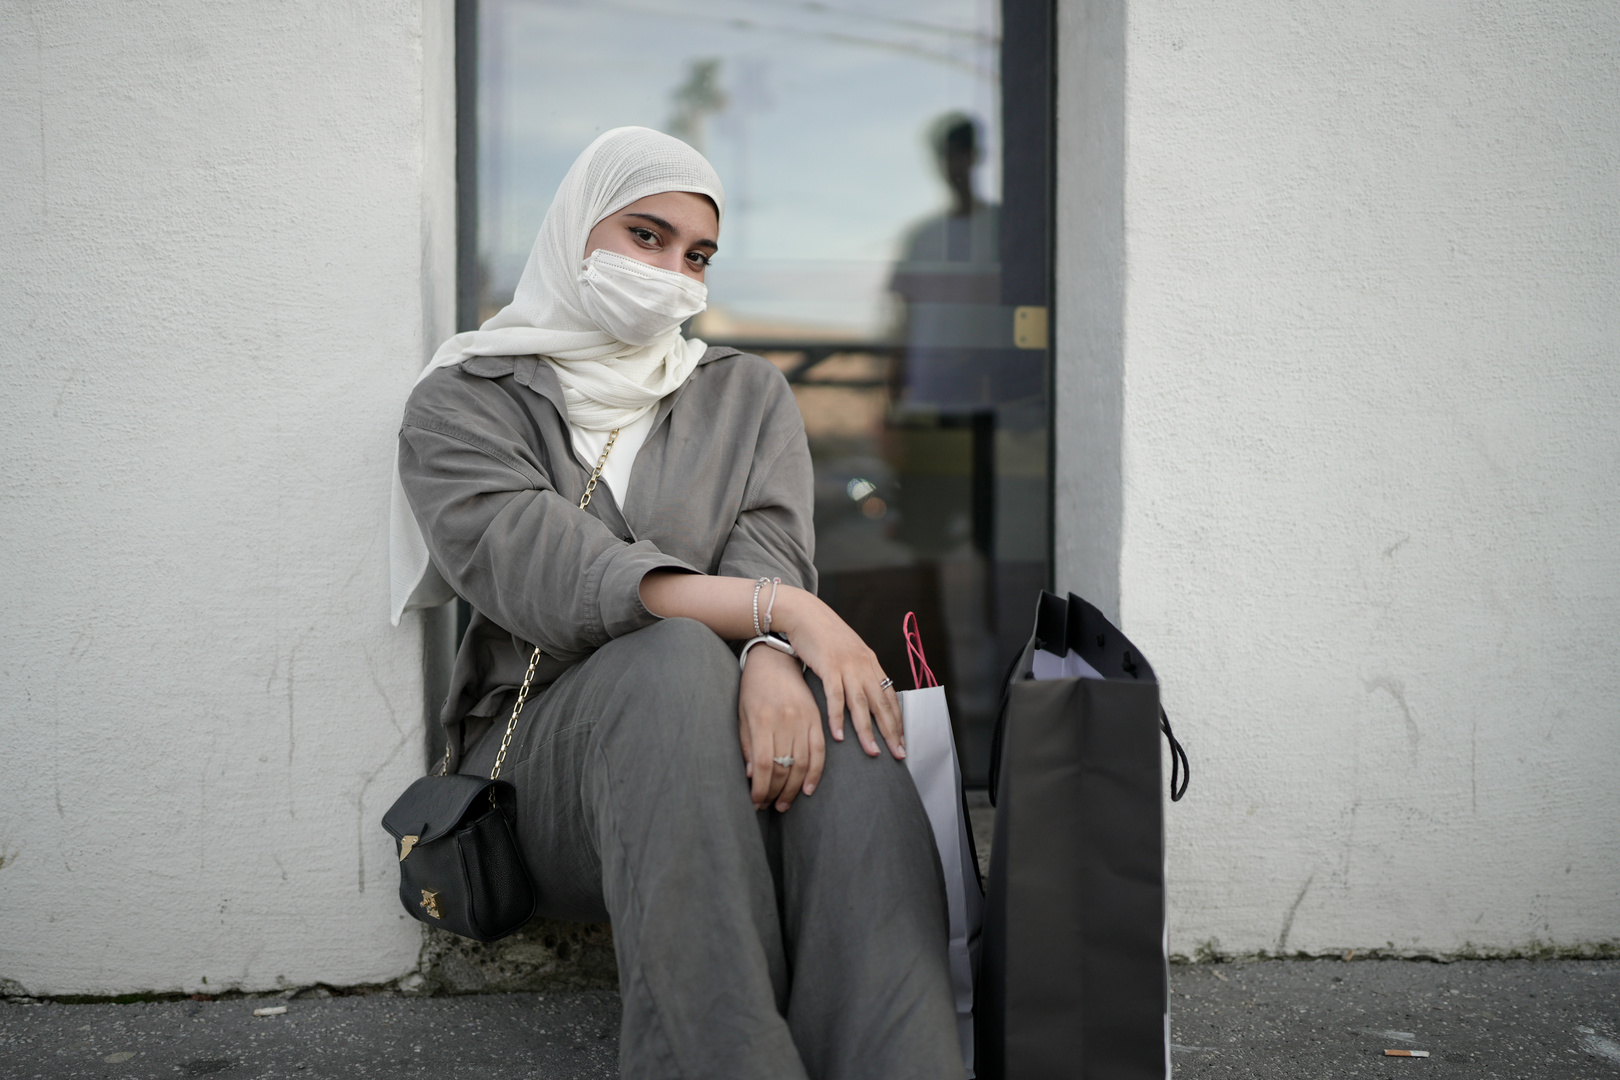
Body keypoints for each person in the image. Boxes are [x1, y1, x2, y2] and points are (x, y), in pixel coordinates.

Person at [389, 127, 964, 1080]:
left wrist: (776, 652)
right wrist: (787, 614)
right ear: (575, 229)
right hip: (544, 770)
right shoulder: (464, 401)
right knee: (671, 663)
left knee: (849, 714)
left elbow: (771, 546)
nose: (672, 272)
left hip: (725, 725)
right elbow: (543, 569)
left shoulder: (744, 393)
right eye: (645, 236)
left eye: (696, 255)